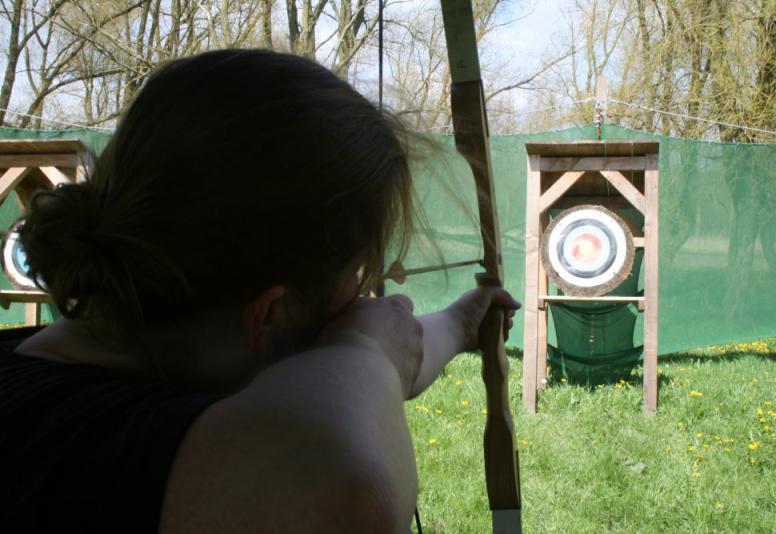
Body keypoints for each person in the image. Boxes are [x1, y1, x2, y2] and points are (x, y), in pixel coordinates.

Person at [0, 49, 519, 533]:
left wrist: (456, 323)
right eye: (355, 281)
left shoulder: (44, 373)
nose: (359, 308)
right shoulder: (117, 449)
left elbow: (362, 368)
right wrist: (366, 347)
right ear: (266, 315)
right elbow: (351, 487)